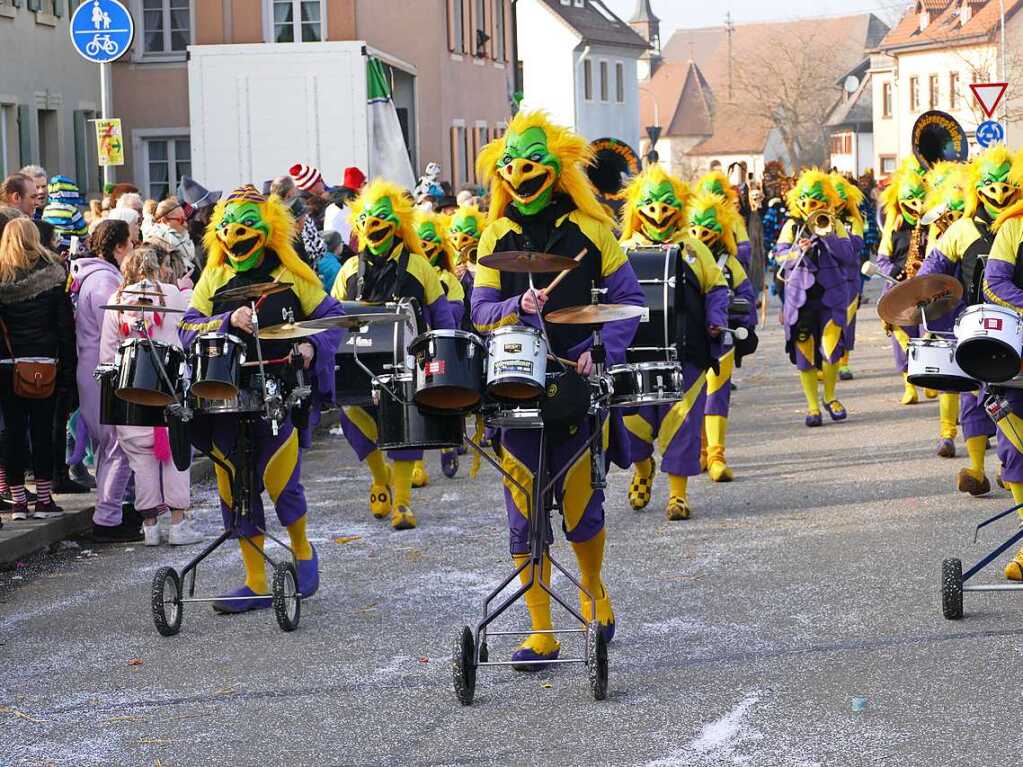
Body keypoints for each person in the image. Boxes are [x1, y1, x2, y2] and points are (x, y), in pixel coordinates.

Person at [472, 111, 644, 669]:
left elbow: (629, 300)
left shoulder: (594, 230)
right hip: (515, 384)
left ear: (555, 171)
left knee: (580, 507)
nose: (520, 177)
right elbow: (477, 311)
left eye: (531, 167)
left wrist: (604, 349)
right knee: (522, 513)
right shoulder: (494, 235)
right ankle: (540, 631)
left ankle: (593, 593)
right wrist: (512, 309)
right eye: (511, 168)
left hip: (576, 381)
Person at [180, 185, 344, 610]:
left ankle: (303, 553)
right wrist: (223, 320)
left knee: (281, 482)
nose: (236, 235)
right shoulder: (213, 276)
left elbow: (334, 320)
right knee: (233, 487)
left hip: (279, 392)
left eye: (246, 227)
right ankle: (255, 580)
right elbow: (187, 328)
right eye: (228, 228)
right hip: (223, 394)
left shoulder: (292, 274)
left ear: (268, 230)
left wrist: (311, 347)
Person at [332, 179, 455, 530]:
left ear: (397, 223)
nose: (373, 226)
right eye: (366, 219)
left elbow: (441, 315)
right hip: (358, 363)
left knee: (406, 425)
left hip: (407, 364)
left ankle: (402, 502)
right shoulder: (348, 270)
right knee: (351, 414)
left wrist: (438, 358)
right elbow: (332, 318)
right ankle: (378, 477)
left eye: (381, 218)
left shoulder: (419, 266)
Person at [617, 164, 727, 515]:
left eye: (666, 205)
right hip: (634, 353)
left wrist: (716, 321)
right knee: (632, 422)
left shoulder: (693, 247)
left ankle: (678, 495)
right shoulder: (622, 249)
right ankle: (643, 469)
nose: (658, 213)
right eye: (650, 205)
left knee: (681, 422)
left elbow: (717, 288)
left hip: (685, 351)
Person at [924, 147, 1019, 494]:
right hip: (974, 324)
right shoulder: (962, 229)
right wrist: (928, 294)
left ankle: (1011, 468)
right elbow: (932, 269)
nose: (999, 193)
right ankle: (977, 468)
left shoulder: (1015, 226)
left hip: (1016, 325)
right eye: (991, 186)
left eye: (1006, 186)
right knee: (973, 398)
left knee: (1011, 401)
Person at [99, 249, 201, 546]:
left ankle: (150, 528)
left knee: (140, 461)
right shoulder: (172, 293)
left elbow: (107, 355)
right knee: (177, 455)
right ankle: (179, 526)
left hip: (130, 390)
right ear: (157, 269)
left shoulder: (117, 300)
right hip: (169, 385)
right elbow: (186, 335)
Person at [0, 219, 76, 520]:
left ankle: (18, 501)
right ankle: (44, 499)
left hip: (7, 365)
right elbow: (65, 328)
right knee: (43, 432)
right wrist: (68, 369)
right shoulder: (55, 276)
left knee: (13, 434)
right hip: (45, 365)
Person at [72, 219, 141, 542]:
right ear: (118, 247)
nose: (135, 248)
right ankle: (107, 519)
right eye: (132, 243)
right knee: (118, 445)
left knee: (110, 446)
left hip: (95, 369)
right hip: (104, 370)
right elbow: (115, 325)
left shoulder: (97, 276)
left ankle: (112, 513)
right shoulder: (102, 281)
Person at [774, 169, 854, 427]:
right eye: (806, 201)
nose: (811, 208)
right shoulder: (791, 226)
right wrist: (799, 250)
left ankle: (830, 397)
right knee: (804, 351)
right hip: (801, 297)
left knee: (831, 348)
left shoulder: (836, 224)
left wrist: (827, 235)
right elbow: (779, 257)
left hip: (831, 295)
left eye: (817, 202)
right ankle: (812, 406)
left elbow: (848, 255)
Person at [688, 191, 757, 482]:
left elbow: (746, 295)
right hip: (691, 339)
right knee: (695, 397)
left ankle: (716, 454)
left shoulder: (730, 262)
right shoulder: (683, 257)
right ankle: (701, 451)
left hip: (722, 340)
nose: (701, 236)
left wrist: (744, 324)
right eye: (695, 230)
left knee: (716, 396)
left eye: (707, 230)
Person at [415, 209, 466, 479]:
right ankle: (416, 465)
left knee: (442, 397)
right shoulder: (411, 269)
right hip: (413, 344)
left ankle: (447, 443)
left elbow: (456, 312)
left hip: (439, 343)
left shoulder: (448, 279)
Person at [876, 158, 929, 406]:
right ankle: (909, 383)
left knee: (928, 336)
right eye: (911, 200)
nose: (917, 206)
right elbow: (882, 258)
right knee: (903, 340)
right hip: (899, 288)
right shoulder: (893, 225)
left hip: (927, 288)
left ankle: (929, 377)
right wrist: (896, 274)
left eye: (921, 200)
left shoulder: (932, 224)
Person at [830, 173, 866, 382]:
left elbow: (857, 246)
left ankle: (844, 362)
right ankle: (825, 361)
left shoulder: (854, 220)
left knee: (846, 322)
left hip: (849, 279)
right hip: (826, 279)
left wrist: (838, 232)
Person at [696, 170, 753, 272]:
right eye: (708, 196)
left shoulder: (734, 221)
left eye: (718, 197)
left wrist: (730, 251)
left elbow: (746, 249)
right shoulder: (693, 220)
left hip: (727, 271)